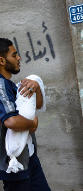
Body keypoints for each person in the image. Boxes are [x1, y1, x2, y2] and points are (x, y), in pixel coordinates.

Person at [0, 38, 51, 191]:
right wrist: (32, 125)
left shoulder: (10, 85)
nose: (19, 58)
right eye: (14, 55)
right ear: (1, 60)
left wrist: (35, 87)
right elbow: (11, 122)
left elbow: (38, 105)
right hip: (14, 165)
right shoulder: (1, 86)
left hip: (30, 158)